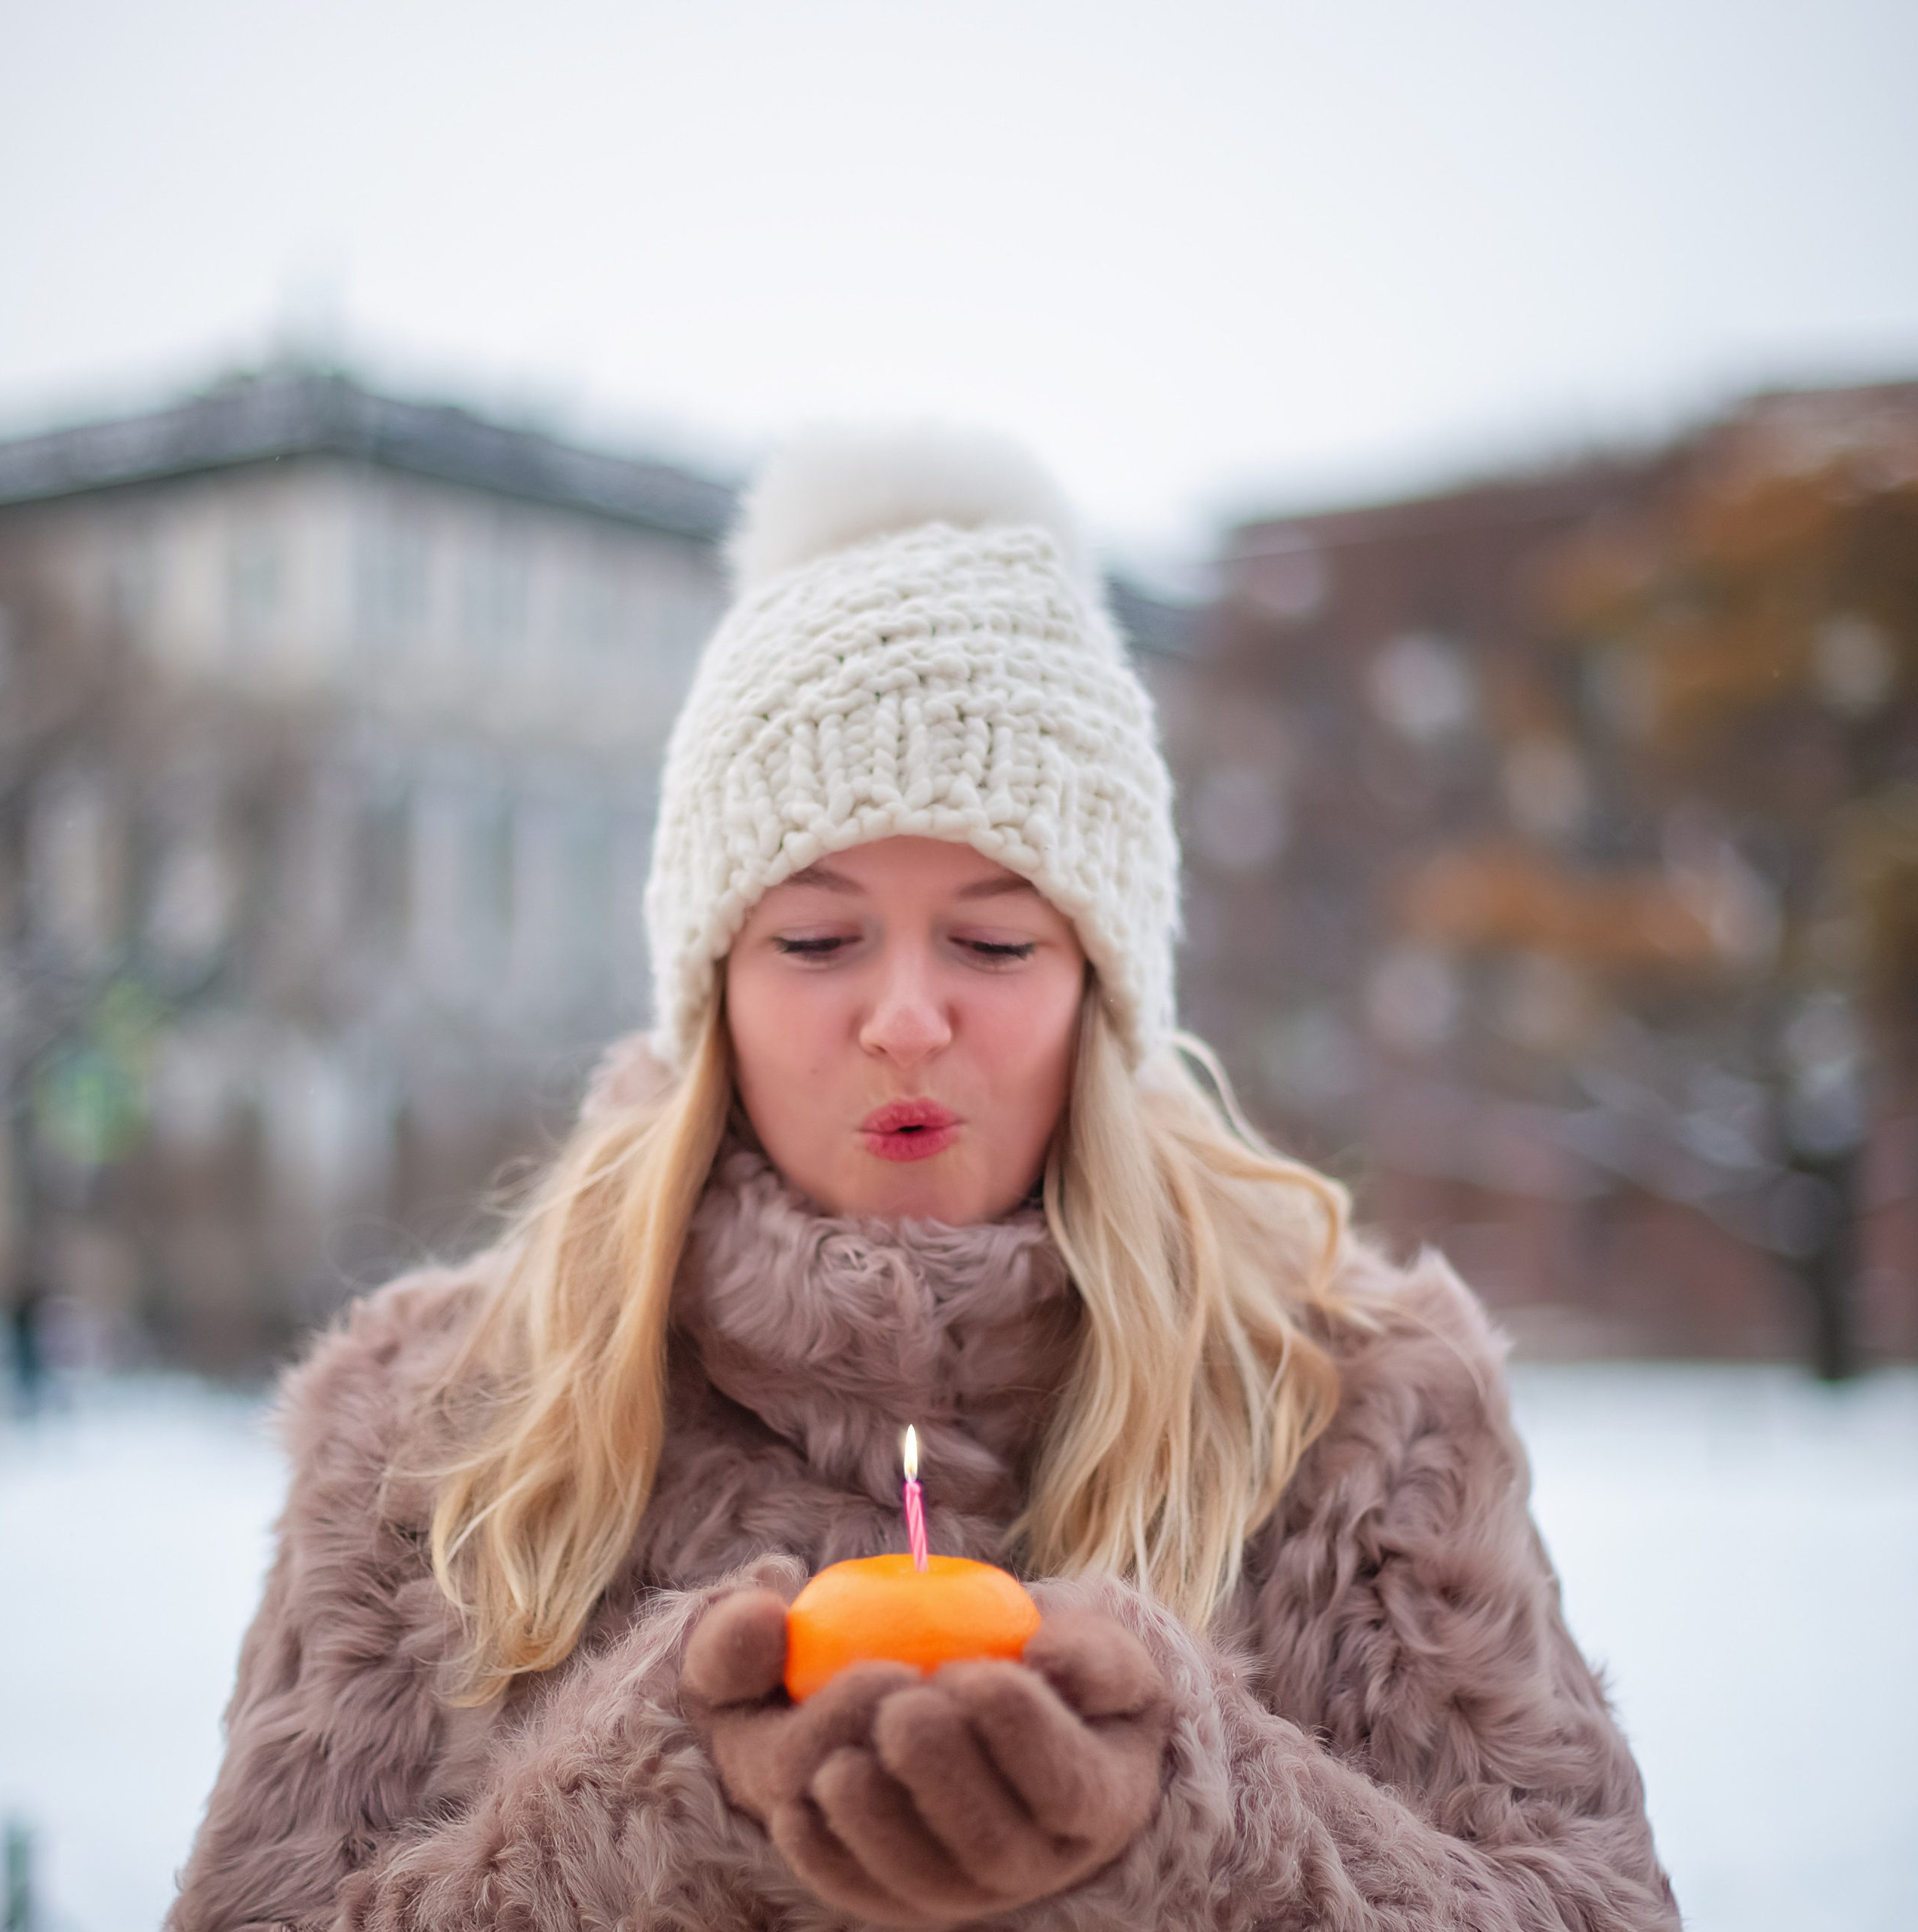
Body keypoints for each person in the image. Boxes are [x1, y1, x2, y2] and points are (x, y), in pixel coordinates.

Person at [171, 428, 1677, 1930]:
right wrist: (654, 1812)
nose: (903, 1015)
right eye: (817, 940)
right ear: (711, 988)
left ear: (1099, 985)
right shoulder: (442, 1415)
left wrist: (1185, 1822)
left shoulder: (1349, 1403)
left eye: (993, 938)